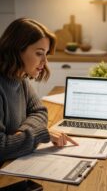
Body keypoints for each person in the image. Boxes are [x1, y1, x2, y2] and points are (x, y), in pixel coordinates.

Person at [0, 18, 77, 162]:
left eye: (46, 54)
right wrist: (40, 134)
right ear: (17, 50)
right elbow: (1, 147)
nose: (45, 62)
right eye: (39, 53)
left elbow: (39, 111)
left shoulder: (20, 79)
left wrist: (22, 134)